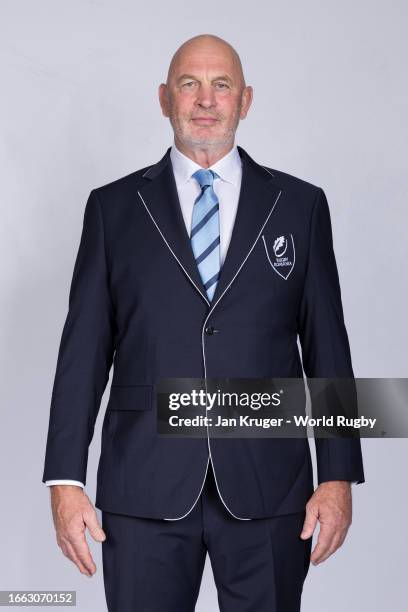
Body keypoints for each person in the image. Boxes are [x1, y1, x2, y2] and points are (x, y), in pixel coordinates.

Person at [42, 33, 365, 612]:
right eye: (190, 84)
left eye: (223, 85)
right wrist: (64, 481)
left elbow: (327, 349)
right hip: (142, 489)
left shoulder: (299, 206)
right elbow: (83, 353)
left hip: (272, 487)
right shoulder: (113, 210)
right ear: (165, 98)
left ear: (245, 101)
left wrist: (338, 474)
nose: (206, 99)